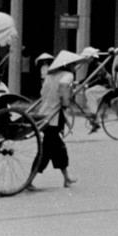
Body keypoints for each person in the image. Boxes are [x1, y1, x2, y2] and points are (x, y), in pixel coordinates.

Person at [33, 49, 81, 189]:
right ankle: (31, 179)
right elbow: (64, 86)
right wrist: (65, 102)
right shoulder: (68, 75)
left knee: (55, 147)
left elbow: (42, 92)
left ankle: (66, 178)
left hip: (45, 113)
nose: (74, 67)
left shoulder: (49, 76)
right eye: (73, 64)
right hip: (55, 114)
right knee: (50, 148)